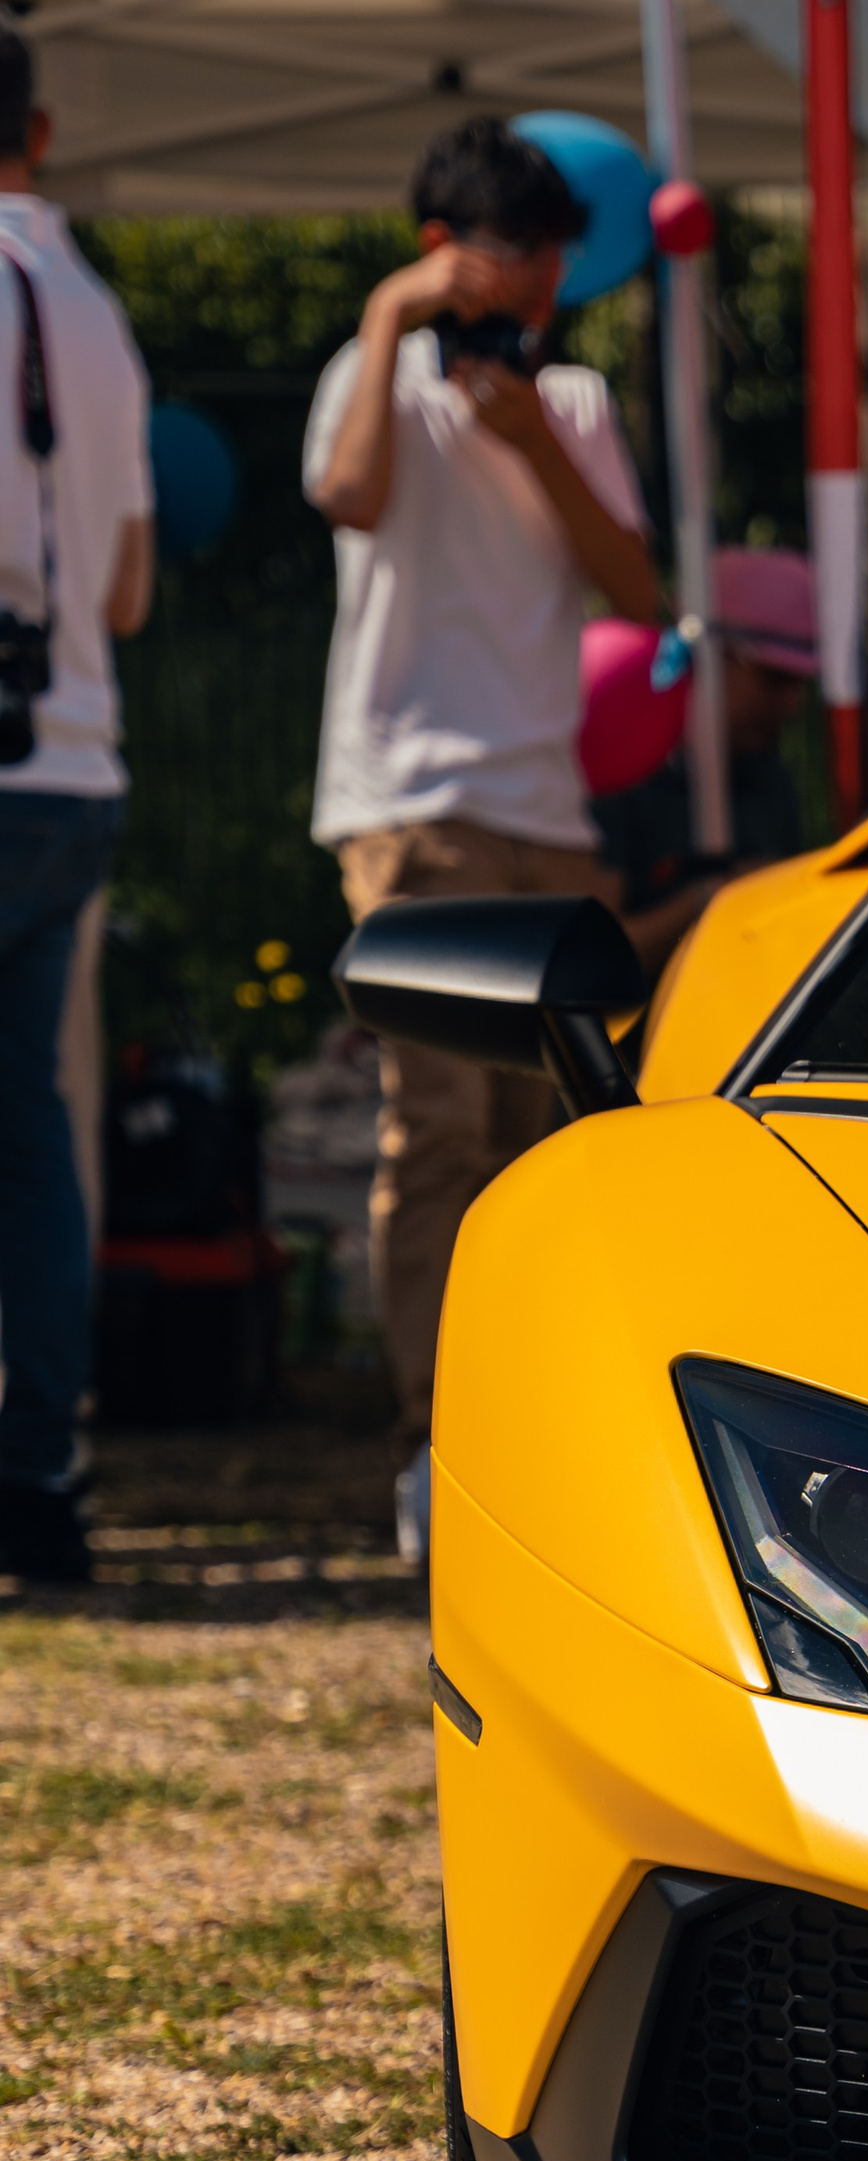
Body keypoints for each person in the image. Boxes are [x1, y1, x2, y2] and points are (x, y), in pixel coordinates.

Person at [304, 115, 657, 1562]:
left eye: (550, 272)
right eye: (507, 273)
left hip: (546, 814)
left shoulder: (569, 399)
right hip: (413, 803)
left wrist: (535, 438)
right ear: (451, 258)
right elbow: (345, 494)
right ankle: (432, 1447)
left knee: (551, 1150)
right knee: (438, 1132)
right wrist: (393, 318)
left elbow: (637, 581)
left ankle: (540, 1443)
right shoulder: (370, 373)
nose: (534, 304)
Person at [0, 22, 154, 1588]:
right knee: (31, 1129)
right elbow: (128, 580)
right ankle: (38, 1475)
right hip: (72, 757)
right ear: (38, 130)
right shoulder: (94, 310)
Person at [594, 546, 815, 977]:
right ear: (707, 658)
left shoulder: (770, 782)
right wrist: (715, 899)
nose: (792, 705)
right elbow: (596, 957)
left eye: (801, 684)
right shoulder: (619, 776)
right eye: (775, 680)